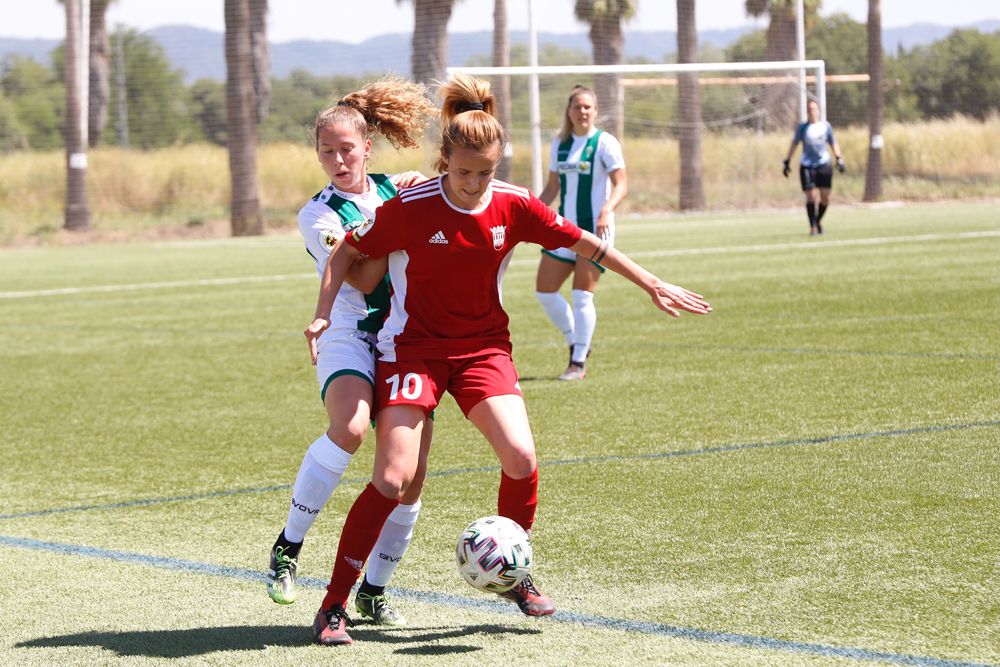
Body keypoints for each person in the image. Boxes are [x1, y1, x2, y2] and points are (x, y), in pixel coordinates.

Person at [303, 72, 712, 647]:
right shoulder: (413, 205)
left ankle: (514, 574)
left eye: (486, 172)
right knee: (393, 478)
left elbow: (587, 243)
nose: (474, 184)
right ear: (443, 160)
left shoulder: (514, 205)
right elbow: (348, 249)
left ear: (499, 163)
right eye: (464, 172)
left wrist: (650, 282)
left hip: (483, 350)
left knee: (520, 455)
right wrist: (323, 313)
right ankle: (333, 605)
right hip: (413, 350)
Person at [265, 76, 437, 628]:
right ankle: (288, 546)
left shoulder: (398, 188)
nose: (338, 159)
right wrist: (396, 218)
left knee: (409, 474)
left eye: (347, 149)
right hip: (347, 334)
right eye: (327, 152)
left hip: (405, 337)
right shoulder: (316, 215)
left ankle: (374, 590)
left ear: (367, 147)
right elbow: (361, 277)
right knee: (352, 427)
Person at [535, 85, 627, 381]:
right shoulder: (559, 144)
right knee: (545, 292)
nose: (582, 111)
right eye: (577, 106)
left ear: (596, 110)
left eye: (588, 106)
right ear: (569, 110)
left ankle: (577, 363)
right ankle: (577, 341)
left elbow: (622, 184)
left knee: (581, 296)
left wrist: (607, 209)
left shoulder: (604, 142)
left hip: (596, 231)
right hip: (565, 230)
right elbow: (552, 188)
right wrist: (528, 215)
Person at [782, 98, 845, 236]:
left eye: (814, 109)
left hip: (824, 164)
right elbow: (794, 144)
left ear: (818, 111)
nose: (812, 112)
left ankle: (817, 221)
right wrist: (787, 161)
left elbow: (833, 143)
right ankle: (813, 227)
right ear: (807, 112)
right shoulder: (803, 128)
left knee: (825, 197)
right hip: (807, 166)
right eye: (810, 109)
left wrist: (839, 158)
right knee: (811, 195)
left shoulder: (825, 127)